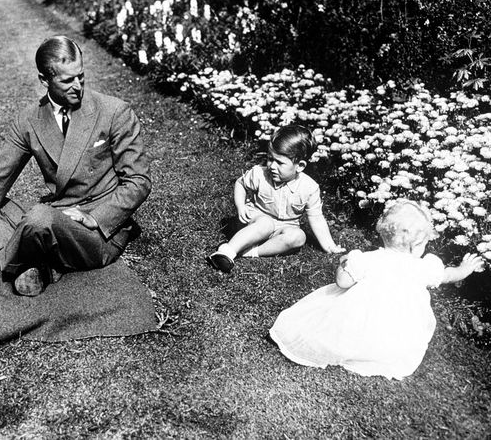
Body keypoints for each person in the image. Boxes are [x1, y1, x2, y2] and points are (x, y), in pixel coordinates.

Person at [0, 36, 151, 296]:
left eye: (81, 76)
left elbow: (138, 181)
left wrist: (96, 218)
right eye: (67, 80)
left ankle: (4, 260)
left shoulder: (114, 111)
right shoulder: (29, 120)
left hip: (97, 231)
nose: (78, 87)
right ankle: (37, 260)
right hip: (57, 215)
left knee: (37, 218)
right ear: (44, 80)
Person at [269, 199, 485, 380]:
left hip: (357, 323)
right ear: (417, 244)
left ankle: (351, 348)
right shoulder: (422, 267)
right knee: (394, 339)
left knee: (332, 320)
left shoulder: (367, 260)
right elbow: (447, 275)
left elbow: (342, 283)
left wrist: (344, 263)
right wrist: (464, 269)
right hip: (395, 334)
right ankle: (378, 354)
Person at [206, 125, 343, 273]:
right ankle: (228, 250)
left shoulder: (309, 188)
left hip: (283, 228)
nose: (272, 166)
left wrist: (330, 246)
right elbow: (240, 183)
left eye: (280, 162)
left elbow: (316, 218)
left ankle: (249, 252)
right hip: (256, 221)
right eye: (270, 159)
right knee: (266, 224)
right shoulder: (260, 174)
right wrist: (241, 206)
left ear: (300, 166)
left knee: (298, 237)